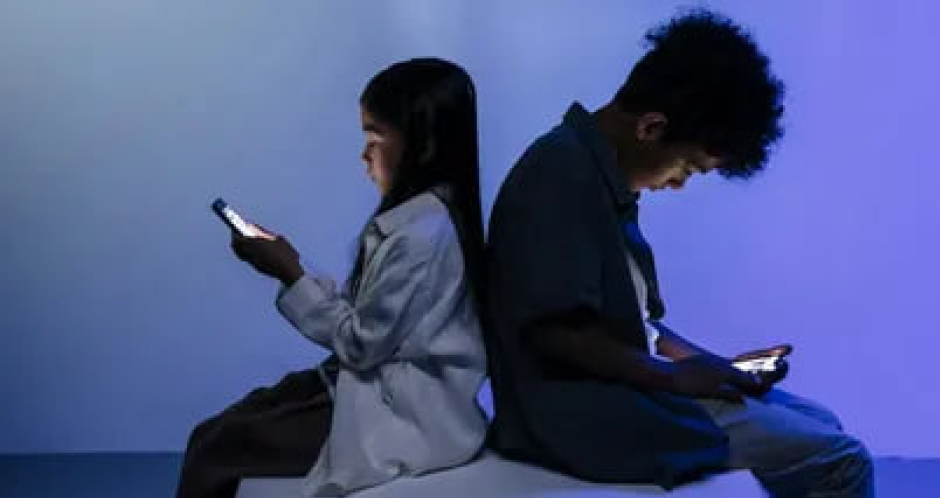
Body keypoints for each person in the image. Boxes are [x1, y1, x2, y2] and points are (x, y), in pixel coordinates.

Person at [484, 10, 874, 498]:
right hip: (583, 416)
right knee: (841, 459)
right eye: (687, 167)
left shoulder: (595, 176)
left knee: (821, 421)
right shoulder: (560, 176)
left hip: (623, 391)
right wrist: (673, 377)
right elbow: (552, 332)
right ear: (651, 127)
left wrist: (718, 367)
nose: (678, 184)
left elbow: (637, 326)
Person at [176, 58, 489, 498]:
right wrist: (293, 266)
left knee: (215, 451)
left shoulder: (423, 235)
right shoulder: (419, 223)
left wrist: (288, 273)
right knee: (211, 434)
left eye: (375, 138)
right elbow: (364, 320)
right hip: (372, 392)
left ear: (422, 144)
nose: (364, 154)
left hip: (401, 418)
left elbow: (361, 344)